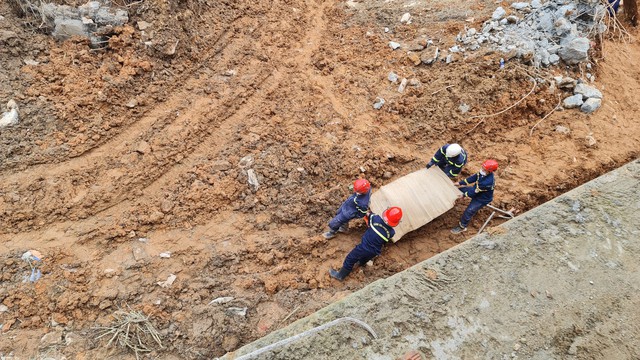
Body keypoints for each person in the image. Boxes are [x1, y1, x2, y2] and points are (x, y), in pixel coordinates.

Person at [329, 207, 403, 281]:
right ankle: (360, 263)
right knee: (365, 258)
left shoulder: (376, 219)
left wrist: (365, 211)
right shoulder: (391, 233)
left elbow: (368, 214)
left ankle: (340, 275)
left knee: (350, 258)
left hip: (363, 247)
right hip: (374, 251)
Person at [451, 159, 498, 234]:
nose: (482, 169)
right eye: (482, 167)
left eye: (484, 169)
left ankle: (462, 226)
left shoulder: (487, 182)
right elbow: (473, 178)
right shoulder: (483, 173)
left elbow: (473, 192)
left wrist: (464, 195)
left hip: (482, 198)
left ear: (489, 171)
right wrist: (460, 183)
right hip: (477, 190)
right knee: (461, 189)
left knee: (469, 211)